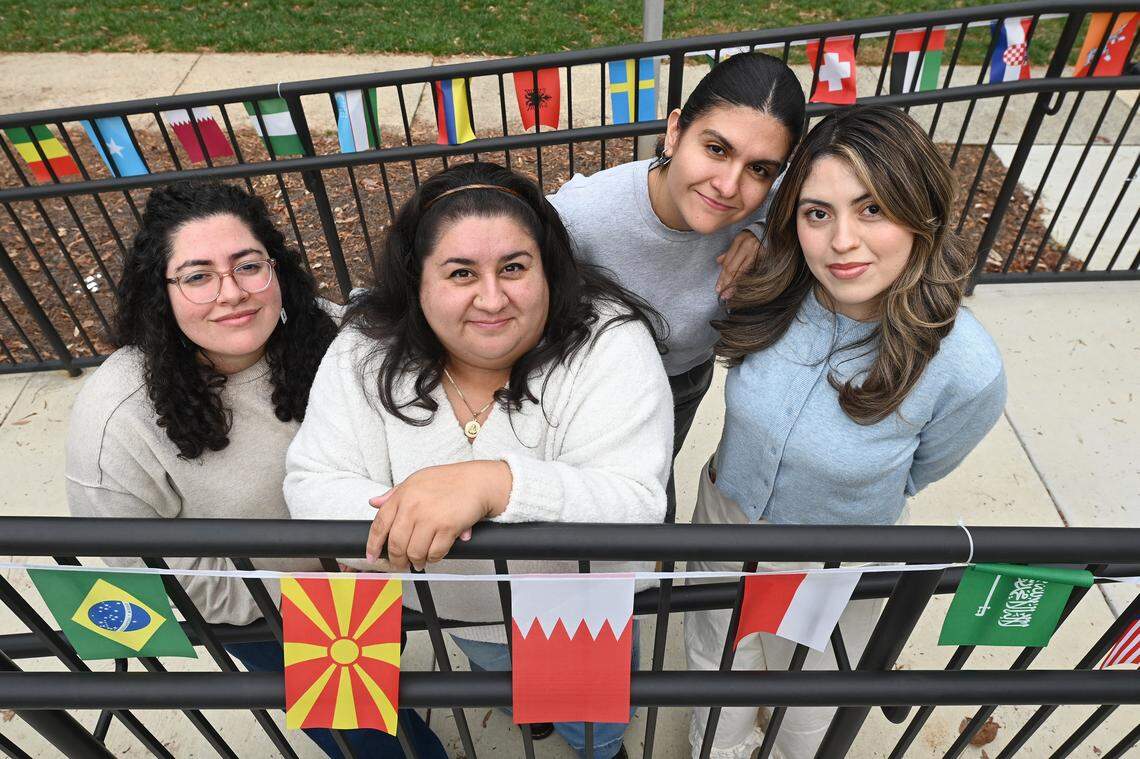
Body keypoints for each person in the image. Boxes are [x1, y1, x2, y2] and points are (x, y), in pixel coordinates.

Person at [284, 161, 673, 759]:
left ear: (548, 271)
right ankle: (528, 708)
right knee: (502, 674)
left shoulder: (609, 339)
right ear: (418, 281)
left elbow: (633, 502)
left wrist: (498, 483)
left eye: (514, 268)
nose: (492, 299)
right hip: (456, 614)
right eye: (461, 272)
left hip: (577, 618)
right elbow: (312, 485)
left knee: (592, 730)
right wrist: (422, 503)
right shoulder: (364, 348)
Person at [65, 180, 445, 759]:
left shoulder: (330, 333)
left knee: (398, 693)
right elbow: (144, 565)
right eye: (197, 276)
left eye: (248, 265)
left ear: (277, 269)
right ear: (159, 292)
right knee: (373, 741)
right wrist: (305, 605)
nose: (232, 293)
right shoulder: (117, 415)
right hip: (269, 619)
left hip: (379, 577)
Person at [686, 106, 1007, 758]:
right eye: (818, 213)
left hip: (834, 562)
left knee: (805, 724)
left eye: (873, 210)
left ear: (922, 212)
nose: (841, 242)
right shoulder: (772, 285)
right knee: (712, 685)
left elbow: (925, 466)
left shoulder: (967, 366)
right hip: (723, 520)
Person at [547, 51, 806, 519]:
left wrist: (762, 229)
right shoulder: (582, 216)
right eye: (716, 149)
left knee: (654, 482)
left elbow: (809, 190)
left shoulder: (768, 203)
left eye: (759, 169)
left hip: (685, 378)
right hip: (592, 389)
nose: (729, 186)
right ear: (674, 131)